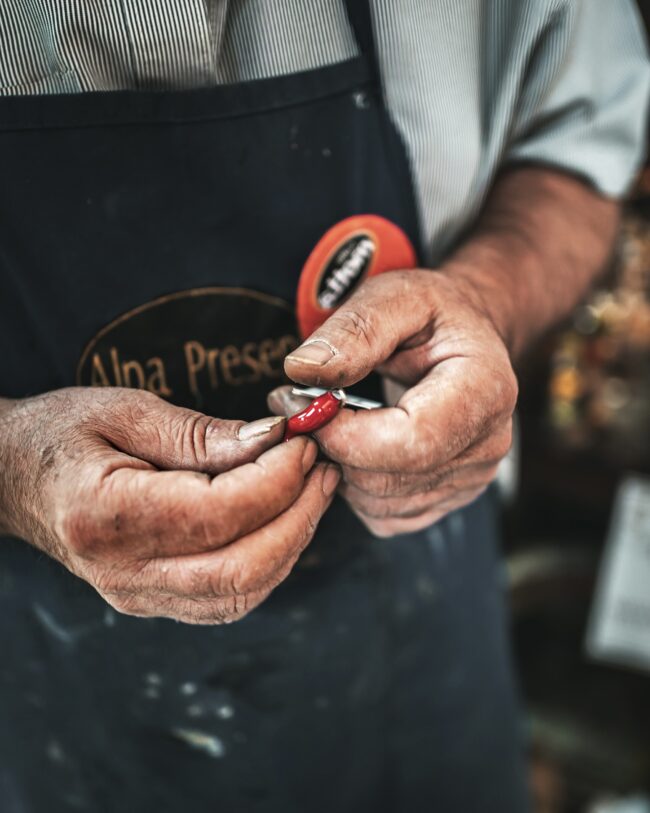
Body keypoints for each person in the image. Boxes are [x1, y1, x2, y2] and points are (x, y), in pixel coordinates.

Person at [0, 1, 647, 811]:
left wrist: (485, 297)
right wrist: (12, 468)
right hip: (54, 697)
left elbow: (576, 155)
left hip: (424, 651)